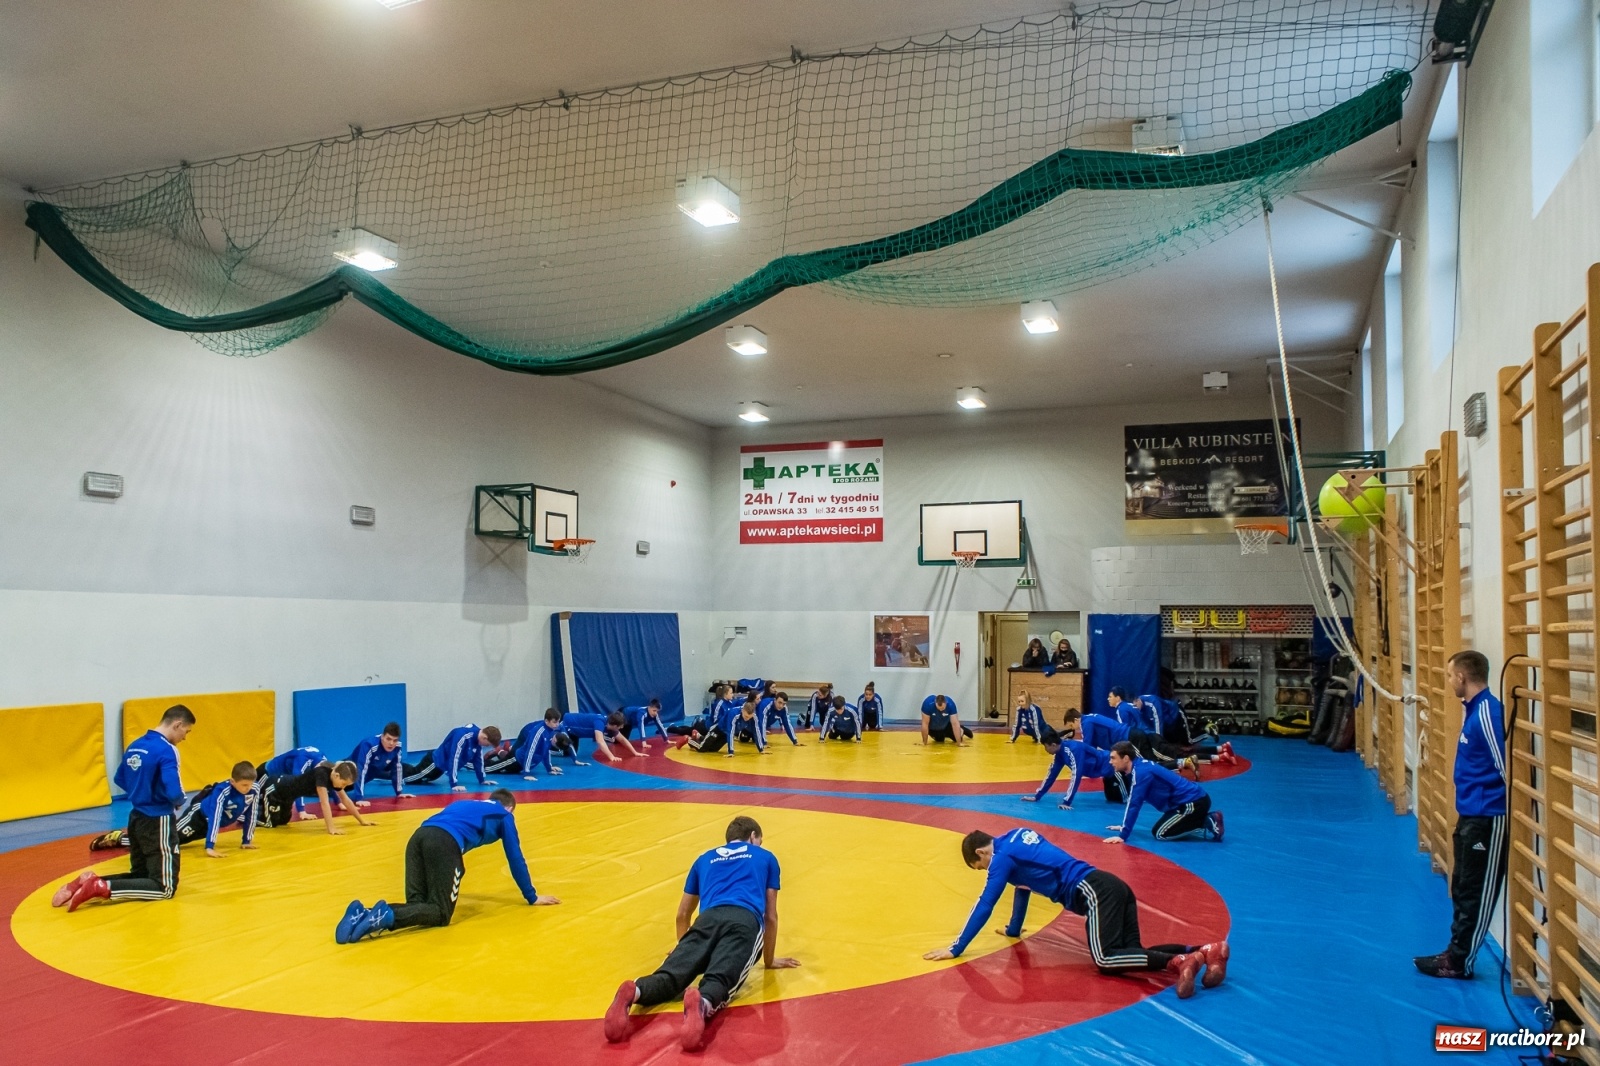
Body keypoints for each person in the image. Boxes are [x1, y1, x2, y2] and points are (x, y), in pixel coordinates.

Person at [922, 827, 1227, 999]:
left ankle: (1179, 961)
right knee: (1131, 952)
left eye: (982, 867)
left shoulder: (1000, 858)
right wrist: (1014, 930)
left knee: (1105, 959)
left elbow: (985, 903)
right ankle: (1203, 951)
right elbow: (1023, 887)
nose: (987, 871)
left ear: (980, 853)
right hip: (1112, 885)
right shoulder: (1016, 836)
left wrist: (956, 948)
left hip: (1091, 890)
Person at [604, 815, 799, 1050]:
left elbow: (682, 915)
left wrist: (683, 947)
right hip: (744, 920)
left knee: (670, 976)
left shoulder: (704, 859)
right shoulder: (766, 857)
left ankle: (635, 989)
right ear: (753, 837)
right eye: (760, 841)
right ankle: (702, 1003)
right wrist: (769, 960)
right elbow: (770, 915)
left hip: (706, 920)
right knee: (722, 978)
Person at [336, 789, 560, 943]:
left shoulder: (465, 803)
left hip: (417, 838)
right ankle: (383, 915)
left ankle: (362, 913)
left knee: (419, 906)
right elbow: (515, 856)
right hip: (444, 843)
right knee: (441, 913)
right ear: (510, 808)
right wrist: (531, 896)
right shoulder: (504, 815)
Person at [1415, 650, 1508, 980]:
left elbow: (1504, 765)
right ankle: (1455, 952)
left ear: (1463, 678)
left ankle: (1460, 962)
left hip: (1487, 817)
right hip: (1470, 814)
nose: (1449, 680)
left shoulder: (1487, 713)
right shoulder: (1473, 711)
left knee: (1476, 892)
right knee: (1462, 885)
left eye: (1450, 674)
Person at [54, 704, 195, 910]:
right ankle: (101, 886)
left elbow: (120, 778)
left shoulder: (136, 745)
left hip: (136, 817)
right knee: (165, 887)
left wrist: (142, 793)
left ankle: (87, 882)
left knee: (141, 874)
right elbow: (174, 791)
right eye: (186, 731)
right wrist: (179, 801)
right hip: (158, 819)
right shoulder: (167, 749)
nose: (185, 737)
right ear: (177, 724)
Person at [90, 761, 263, 856]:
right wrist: (210, 846)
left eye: (250, 784)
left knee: (175, 842)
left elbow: (251, 814)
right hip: (198, 817)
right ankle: (120, 838)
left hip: (209, 825)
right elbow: (216, 815)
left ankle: (125, 839)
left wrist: (246, 840)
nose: (248, 788)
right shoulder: (223, 790)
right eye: (244, 785)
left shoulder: (253, 790)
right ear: (233, 782)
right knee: (167, 841)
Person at [1104, 742, 1223, 843]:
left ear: (1125, 758)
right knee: (1160, 829)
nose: (1110, 762)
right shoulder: (1139, 766)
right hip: (1186, 802)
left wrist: (1123, 835)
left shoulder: (1141, 772)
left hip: (1193, 802)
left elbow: (1134, 803)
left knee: (1161, 833)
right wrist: (1125, 826)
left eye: (1113, 758)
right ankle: (1196, 819)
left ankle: (1207, 821)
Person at [260, 759, 378, 835]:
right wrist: (331, 828)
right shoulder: (321, 775)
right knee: (270, 824)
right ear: (337, 775)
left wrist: (362, 821)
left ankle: (262, 808)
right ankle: (246, 815)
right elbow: (324, 803)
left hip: (287, 797)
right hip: (275, 788)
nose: (344, 787)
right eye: (344, 784)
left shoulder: (335, 779)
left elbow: (346, 800)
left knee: (283, 821)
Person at [1023, 729, 1116, 809]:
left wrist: (1067, 801)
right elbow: (1052, 774)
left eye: (1046, 746)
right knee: (1113, 799)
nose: (1045, 750)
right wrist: (1037, 796)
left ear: (1053, 745)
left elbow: (1076, 774)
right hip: (1105, 773)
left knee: (1123, 799)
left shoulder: (1073, 750)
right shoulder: (1060, 754)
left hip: (1113, 767)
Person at [403, 723, 502, 790]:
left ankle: (394, 766)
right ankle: (391, 771)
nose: (486, 747)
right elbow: (454, 757)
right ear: (484, 738)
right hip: (434, 763)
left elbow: (478, 760)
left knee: (414, 774)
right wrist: (454, 784)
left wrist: (482, 780)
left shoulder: (477, 741)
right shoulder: (463, 736)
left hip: (440, 768)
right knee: (409, 779)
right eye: (487, 744)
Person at [485, 709, 574, 779]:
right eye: (555, 722)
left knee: (503, 770)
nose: (557, 725)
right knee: (488, 769)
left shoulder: (551, 731)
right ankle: (473, 763)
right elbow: (530, 751)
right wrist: (526, 773)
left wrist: (549, 768)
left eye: (558, 721)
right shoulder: (539, 732)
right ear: (547, 721)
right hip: (516, 760)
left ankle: (499, 752)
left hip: (520, 765)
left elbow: (545, 751)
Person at [349, 723, 415, 806]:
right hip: (349, 772)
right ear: (382, 737)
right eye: (388, 739)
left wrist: (399, 792)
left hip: (372, 773)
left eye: (395, 740)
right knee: (334, 788)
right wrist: (359, 798)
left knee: (403, 768)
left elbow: (397, 768)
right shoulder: (369, 745)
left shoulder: (397, 747)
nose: (391, 743)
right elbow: (361, 769)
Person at [561, 710, 650, 763]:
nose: (621, 728)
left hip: (574, 733)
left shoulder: (610, 726)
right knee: (560, 747)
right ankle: (550, 747)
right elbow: (600, 741)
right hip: (564, 725)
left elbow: (622, 739)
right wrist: (611, 756)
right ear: (615, 725)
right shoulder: (600, 722)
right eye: (620, 726)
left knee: (569, 753)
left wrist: (635, 752)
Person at [691, 697, 768, 757]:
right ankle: (688, 740)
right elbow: (730, 731)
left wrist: (761, 749)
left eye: (749, 717)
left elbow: (757, 731)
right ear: (742, 710)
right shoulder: (734, 713)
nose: (747, 719)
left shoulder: (754, 717)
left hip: (725, 734)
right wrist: (731, 751)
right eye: (746, 716)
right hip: (718, 729)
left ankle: (699, 736)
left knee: (713, 749)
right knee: (702, 748)